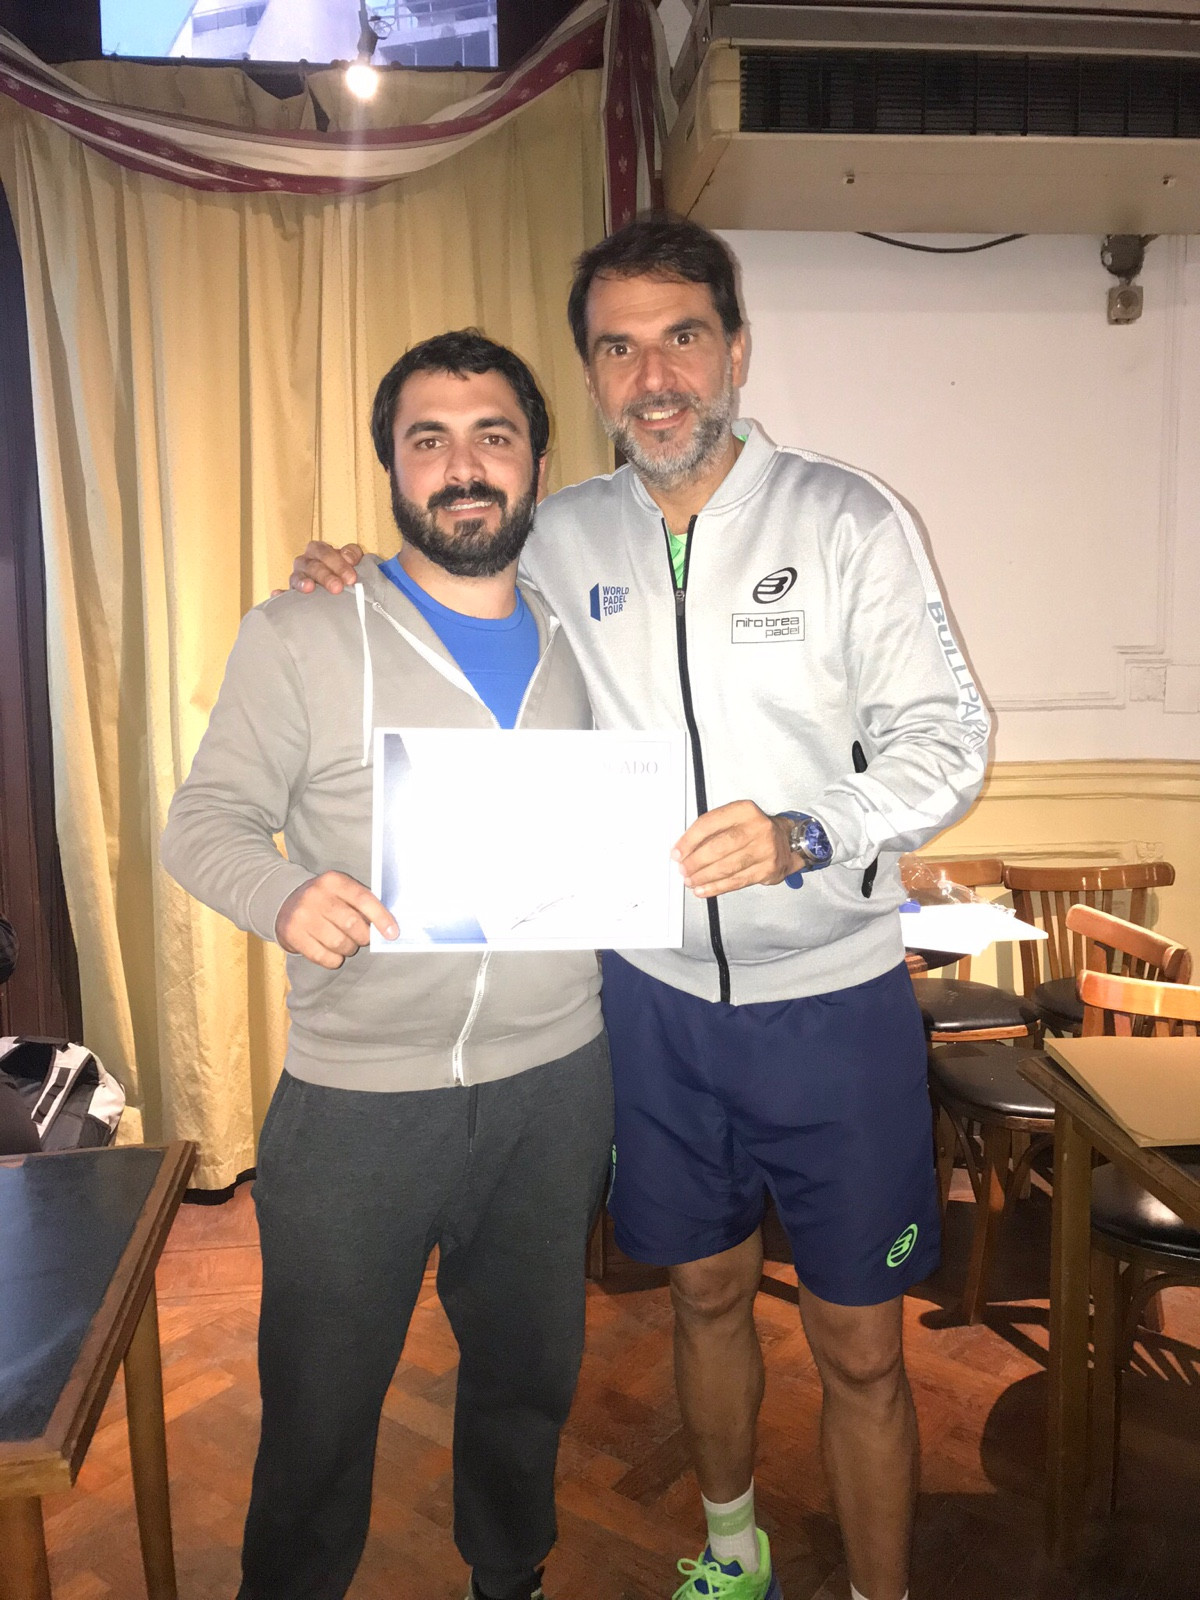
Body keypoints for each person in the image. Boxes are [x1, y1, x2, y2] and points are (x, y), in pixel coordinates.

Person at [291, 218, 990, 1600]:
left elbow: (950, 741)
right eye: (619, 349)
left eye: (682, 338)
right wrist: (348, 578)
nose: (654, 376)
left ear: (736, 349)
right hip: (651, 1009)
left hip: (832, 1006)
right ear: (593, 375)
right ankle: (734, 1555)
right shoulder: (561, 534)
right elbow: (448, 603)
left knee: (862, 1347)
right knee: (704, 1294)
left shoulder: (846, 519)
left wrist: (808, 830)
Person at [161, 331, 613, 1600]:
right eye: (429, 440)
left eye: (493, 435)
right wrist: (283, 893)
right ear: (393, 470)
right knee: (318, 1401)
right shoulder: (304, 630)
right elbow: (200, 823)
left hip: (557, 1083)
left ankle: (509, 1573)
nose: (463, 466)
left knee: (528, 1376)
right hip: (357, 1100)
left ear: (536, 462)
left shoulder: (589, 637)